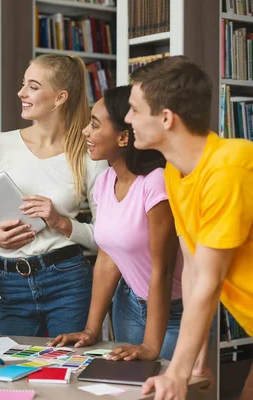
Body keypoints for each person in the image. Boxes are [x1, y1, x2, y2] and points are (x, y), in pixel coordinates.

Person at [123, 56, 253, 400]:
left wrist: (177, 373)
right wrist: (193, 358)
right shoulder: (174, 173)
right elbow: (195, 270)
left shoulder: (229, 166)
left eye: (135, 109)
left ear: (166, 118)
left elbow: (210, 278)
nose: (127, 118)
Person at [47, 85, 184, 361]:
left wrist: (150, 346)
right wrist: (91, 328)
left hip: (175, 312)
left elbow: (164, 269)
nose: (85, 132)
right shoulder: (104, 182)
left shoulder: (156, 182)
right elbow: (108, 258)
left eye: (94, 125)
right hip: (129, 304)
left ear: (123, 137)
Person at [0, 54, 107, 337]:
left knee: (66, 375)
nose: (21, 93)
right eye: (24, 84)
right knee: (4, 373)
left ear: (60, 97)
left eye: (33, 86)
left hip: (67, 282)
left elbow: (105, 239)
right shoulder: (0, 145)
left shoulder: (89, 154)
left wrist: (60, 221)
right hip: (10, 282)